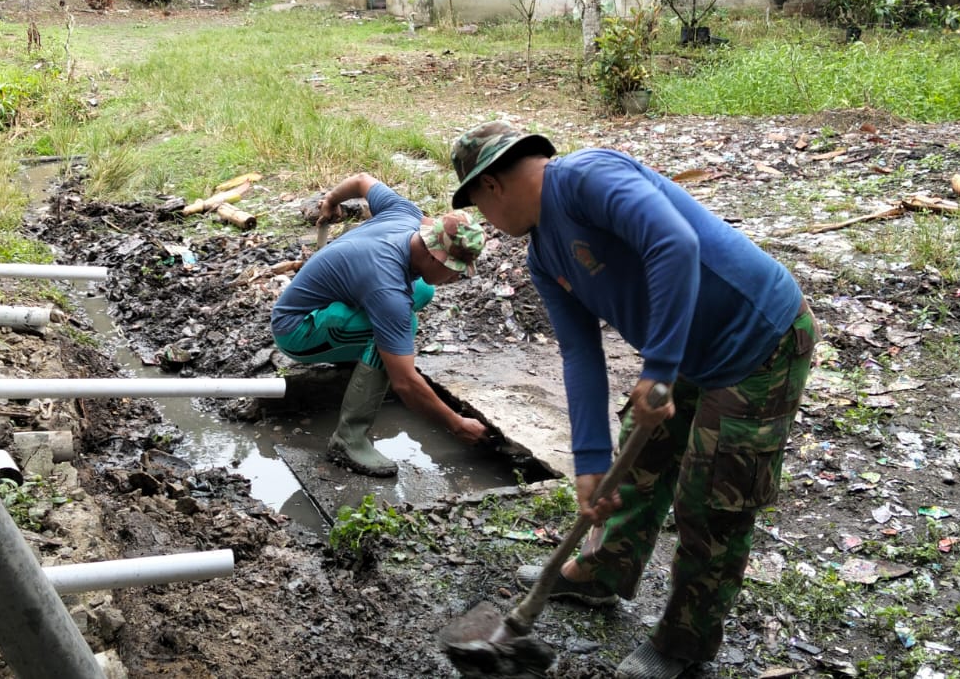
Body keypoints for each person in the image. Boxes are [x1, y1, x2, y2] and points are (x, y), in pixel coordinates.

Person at [449, 121, 815, 679]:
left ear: (490, 186)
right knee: (636, 462)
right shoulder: (544, 257)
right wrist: (590, 465)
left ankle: (683, 645)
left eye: (478, 207)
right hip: (687, 350)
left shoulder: (587, 176)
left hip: (756, 339)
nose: (486, 223)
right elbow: (580, 355)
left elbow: (675, 243)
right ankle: (602, 572)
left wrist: (660, 370)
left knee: (712, 503)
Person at [271, 173, 491, 476]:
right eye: (455, 270)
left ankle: (353, 356)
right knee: (397, 328)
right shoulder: (388, 291)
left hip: (332, 301)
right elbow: (405, 383)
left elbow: (362, 180)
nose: (458, 278)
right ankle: (349, 440)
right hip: (295, 328)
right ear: (434, 255)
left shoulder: (408, 215)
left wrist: (331, 201)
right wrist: (456, 424)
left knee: (422, 291)